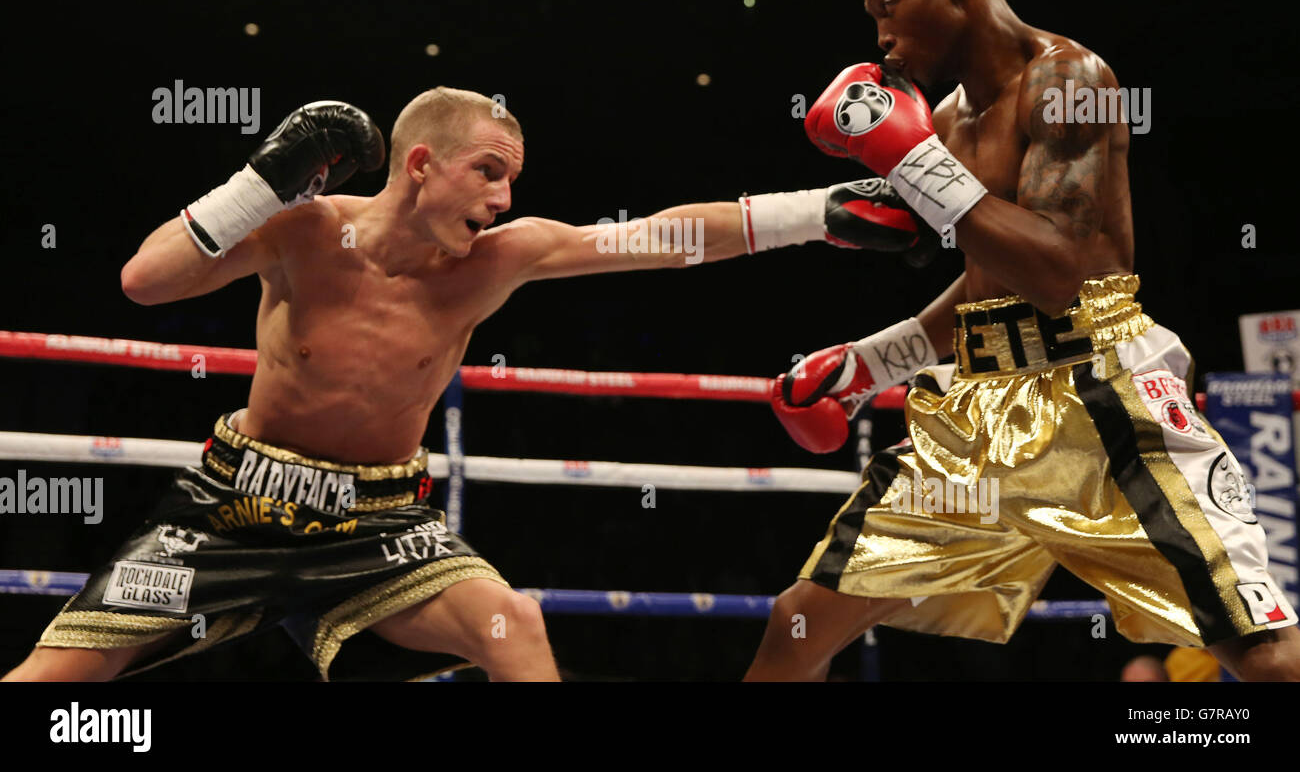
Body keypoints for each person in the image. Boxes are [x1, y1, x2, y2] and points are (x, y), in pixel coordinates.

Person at [4, 87, 923, 682]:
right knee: (56, 685)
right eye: (488, 172)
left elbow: (660, 237)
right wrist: (263, 179)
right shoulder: (308, 228)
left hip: (382, 521)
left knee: (511, 625)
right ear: (420, 163)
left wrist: (819, 214)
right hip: (238, 502)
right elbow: (145, 279)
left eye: (511, 182)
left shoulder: (498, 260)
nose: (503, 200)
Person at [748, 0, 1299, 681]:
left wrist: (914, 162)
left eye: (887, 7)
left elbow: (1060, 274)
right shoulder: (943, 119)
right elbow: (987, 286)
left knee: (1264, 657)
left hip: (1101, 390)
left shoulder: (1078, 79)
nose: (881, 40)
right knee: (797, 625)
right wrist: (872, 362)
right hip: (979, 405)